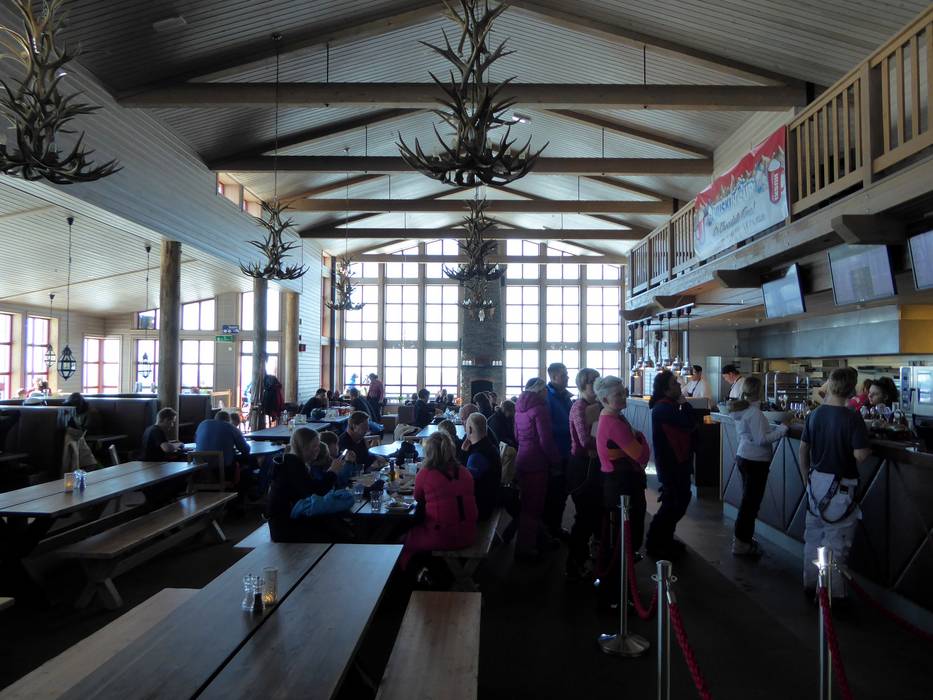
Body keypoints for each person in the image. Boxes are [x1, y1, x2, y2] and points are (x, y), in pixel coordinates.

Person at [799, 368, 872, 602]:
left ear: (830, 385)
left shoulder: (815, 414)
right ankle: (833, 596)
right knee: (836, 544)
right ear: (852, 389)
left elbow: (803, 449)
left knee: (813, 538)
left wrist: (806, 479)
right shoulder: (852, 418)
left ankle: (811, 584)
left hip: (815, 483)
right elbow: (860, 455)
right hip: (839, 487)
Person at [594, 376, 651, 602]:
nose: (624, 396)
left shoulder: (608, 417)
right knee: (626, 540)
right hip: (623, 486)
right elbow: (642, 456)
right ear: (605, 399)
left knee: (619, 539)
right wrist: (641, 437)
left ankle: (617, 587)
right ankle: (618, 593)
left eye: (623, 392)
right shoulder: (615, 423)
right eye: (618, 394)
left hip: (615, 483)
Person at [400, 431, 477, 570]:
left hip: (443, 536)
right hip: (468, 532)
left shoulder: (425, 474)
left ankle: (408, 576)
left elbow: (418, 498)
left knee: (405, 539)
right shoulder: (465, 472)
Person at [728, 376, 788, 556]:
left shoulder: (741, 410)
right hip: (756, 461)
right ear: (759, 391)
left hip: (744, 456)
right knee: (750, 505)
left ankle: (742, 539)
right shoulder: (754, 413)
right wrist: (782, 429)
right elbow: (762, 440)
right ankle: (741, 543)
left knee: (748, 503)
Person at [645, 370, 697, 559]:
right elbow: (690, 423)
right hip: (671, 465)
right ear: (666, 390)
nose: (679, 385)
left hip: (677, 463)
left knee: (677, 502)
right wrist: (685, 404)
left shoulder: (668, 406)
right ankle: (655, 543)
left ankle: (664, 539)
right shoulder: (663, 408)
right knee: (672, 505)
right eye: (675, 383)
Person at [268, 427, 351, 542]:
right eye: (314, 446)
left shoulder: (291, 462)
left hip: (289, 519)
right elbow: (316, 492)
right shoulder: (293, 467)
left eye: (318, 445)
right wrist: (333, 472)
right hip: (286, 527)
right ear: (303, 447)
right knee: (336, 531)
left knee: (335, 522)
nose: (318, 449)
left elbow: (311, 489)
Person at [514, 377, 561, 560]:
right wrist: (556, 461)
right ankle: (525, 548)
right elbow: (546, 440)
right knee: (534, 508)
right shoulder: (540, 409)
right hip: (537, 463)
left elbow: (516, 436)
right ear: (541, 391)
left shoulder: (519, 407)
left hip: (522, 459)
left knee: (526, 504)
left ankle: (541, 539)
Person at [566, 368, 603, 580]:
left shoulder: (595, 405)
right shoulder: (579, 407)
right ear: (582, 385)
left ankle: (589, 556)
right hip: (581, 467)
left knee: (594, 515)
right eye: (592, 382)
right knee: (584, 518)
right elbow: (584, 441)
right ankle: (574, 563)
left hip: (593, 465)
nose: (596, 385)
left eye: (598, 381)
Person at [544, 362, 573, 539]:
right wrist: (570, 429)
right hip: (555, 453)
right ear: (553, 377)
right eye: (564, 375)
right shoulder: (547, 397)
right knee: (554, 493)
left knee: (562, 493)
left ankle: (555, 527)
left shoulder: (565, 397)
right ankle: (550, 530)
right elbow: (546, 427)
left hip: (567, 451)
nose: (567, 377)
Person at [461, 412, 502, 521]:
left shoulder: (477, 456)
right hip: (490, 501)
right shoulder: (490, 447)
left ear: (470, 429)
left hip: (480, 510)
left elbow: (464, 483)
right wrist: (464, 452)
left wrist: (462, 455)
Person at [195, 409, 251, 481]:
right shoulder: (231, 427)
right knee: (248, 461)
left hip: (199, 469)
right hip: (221, 471)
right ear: (228, 420)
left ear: (215, 418)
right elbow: (245, 449)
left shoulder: (202, 424)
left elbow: (196, 441)